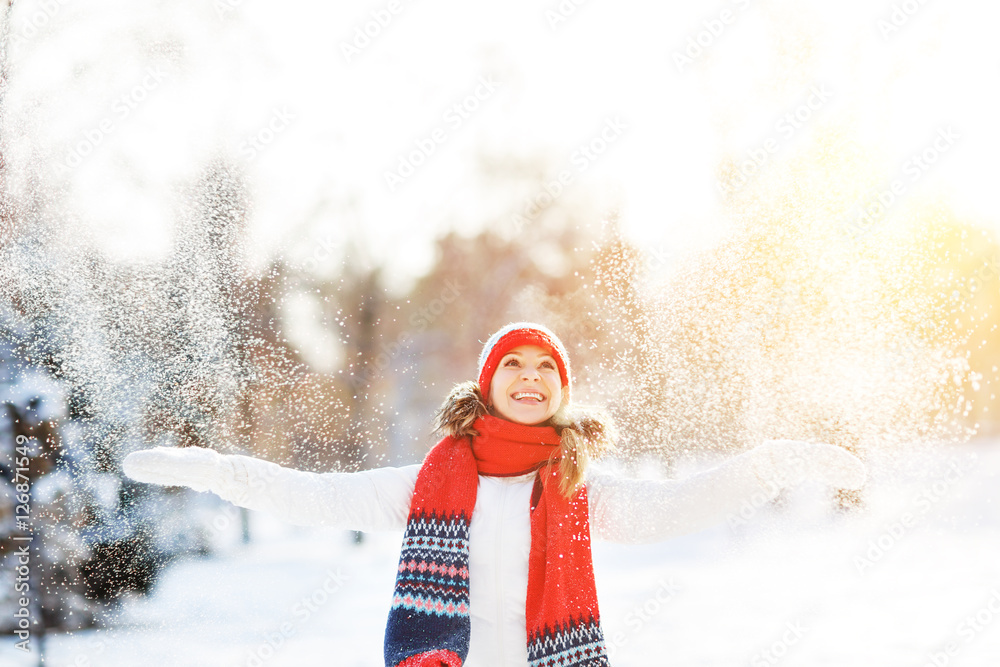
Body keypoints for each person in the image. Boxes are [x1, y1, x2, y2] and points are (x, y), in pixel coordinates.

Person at [123, 322, 866, 667]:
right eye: (514, 362)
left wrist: (773, 463)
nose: (531, 374)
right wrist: (220, 471)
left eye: (547, 365)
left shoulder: (580, 488)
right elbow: (318, 496)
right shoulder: (429, 485)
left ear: (561, 390)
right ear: (488, 383)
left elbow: (674, 509)